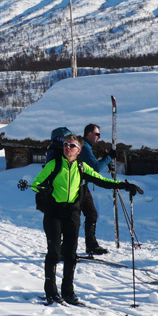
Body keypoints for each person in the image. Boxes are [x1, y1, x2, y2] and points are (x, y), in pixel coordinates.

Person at [32, 134, 142, 305]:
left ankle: (68, 292)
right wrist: (44, 193)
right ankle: (51, 292)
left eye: (72, 145)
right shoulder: (54, 164)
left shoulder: (81, 167)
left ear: (79, 150)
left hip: (72, 213)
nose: (68, 148)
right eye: (66, 144)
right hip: (54, 212)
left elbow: (102, 180)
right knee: (54, 252)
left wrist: (124, 185)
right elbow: (36, 183)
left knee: (70, 254)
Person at [47, 124, 114, 256]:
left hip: (81, 185)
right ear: (89, 134)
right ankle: (67, 248)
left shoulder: (84, 147)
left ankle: (90, 245)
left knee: (91, 214)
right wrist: (109, 157)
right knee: (73, 218)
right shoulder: (83, 147)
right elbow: (96, 167)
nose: (99, 137)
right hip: (75, 187)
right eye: (97, 134)